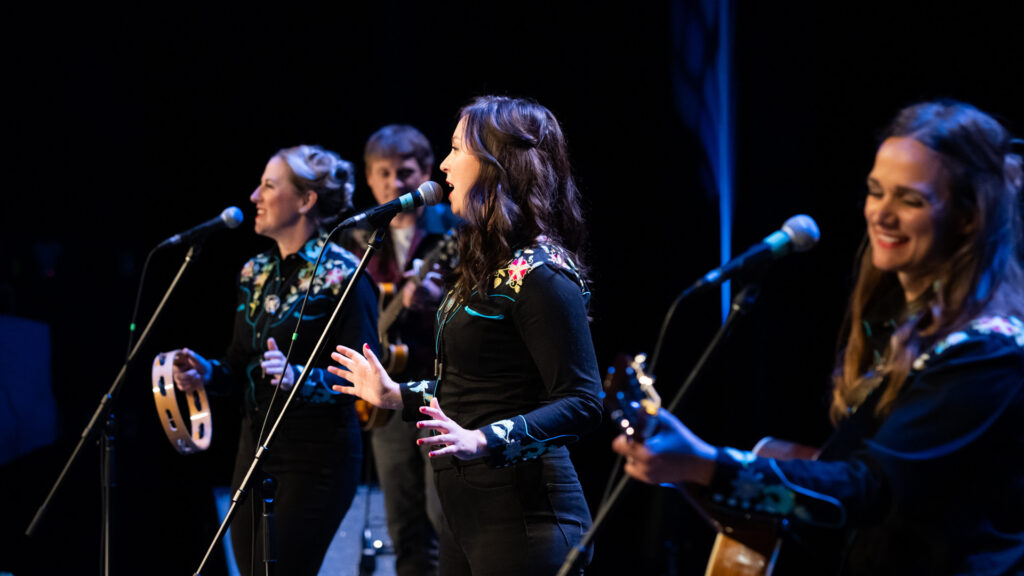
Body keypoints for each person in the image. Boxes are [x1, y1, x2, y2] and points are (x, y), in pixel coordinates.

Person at [612, 100, 1024, 575]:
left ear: (970, 215)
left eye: (910, 199)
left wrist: (706, 465)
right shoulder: (906, 327)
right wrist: (695, 468)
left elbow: (871, 491)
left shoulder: (987, 352)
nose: (881, 215)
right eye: (875, 192)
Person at [329, 96, 604, 575]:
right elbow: (477, 384)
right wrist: (397, 395)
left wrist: (484, 440)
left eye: (457, 149)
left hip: (525, 518)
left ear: (497, 164)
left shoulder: (540, 273)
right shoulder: (485, 264)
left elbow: (584, 401)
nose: (443, 164)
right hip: (467, 520)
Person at [170, 145, 379, 576]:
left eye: (268, 185)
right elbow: (238, 362)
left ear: (305, 201)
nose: (254, 196)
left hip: (316, 458)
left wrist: (301, 378)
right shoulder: (253, 272)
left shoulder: (345, 276)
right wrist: (205, 373)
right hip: (255, 450)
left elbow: (365, 379)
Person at [347, 124, 458, 576]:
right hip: (385, 395)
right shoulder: (358, 239)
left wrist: (438, 300)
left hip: (439, 389)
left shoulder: (455, 229)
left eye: (406, 171)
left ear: (427, 171)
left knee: (445, 516)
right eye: (385, 173)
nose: (397, 182)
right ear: (370, 180)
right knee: (403, 522)